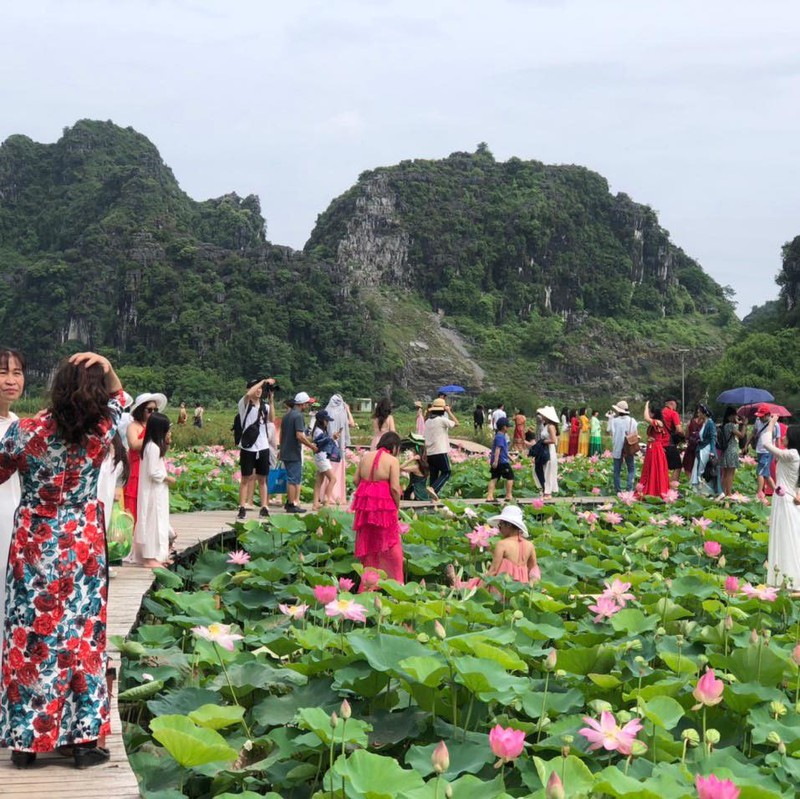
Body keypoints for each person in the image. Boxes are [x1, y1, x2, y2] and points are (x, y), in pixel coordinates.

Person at [0, 351, 123, 768]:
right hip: (84, 545)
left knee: (30, 640)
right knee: (82, 640)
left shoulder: (26, 431)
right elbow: (121, 398)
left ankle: (25, 743)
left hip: (35, 542)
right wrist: (106, 365)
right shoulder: (103, 429)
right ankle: (82, 742)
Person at [351, 431, 404, 586]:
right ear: (394, 447)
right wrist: (397, 505)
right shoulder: (392, 460)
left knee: (369, 544)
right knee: (390, 543)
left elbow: (355, 480)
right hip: (384, 507)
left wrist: (369, 490)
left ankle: (369, 584)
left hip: (365, 507)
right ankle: (395, 582)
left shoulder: (365, 456)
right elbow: (394, 488)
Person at [0, 347, 25, 656]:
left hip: (17, 518)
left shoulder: (18, 422)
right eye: (3, 372)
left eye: (17, 372)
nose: (10, 380)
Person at [763, 415, 800, 587]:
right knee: (787, 536)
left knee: (785, 536)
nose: (783, 437)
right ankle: (784, 577)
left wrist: (771, 423)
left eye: (786, 435)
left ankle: (788, 578)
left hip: (784, 501)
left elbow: (767, 445)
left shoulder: (792, 454)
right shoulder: (793, 455)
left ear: (792, 439)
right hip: (785, 498)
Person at [134, 412, 175, 568]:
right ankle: (149, 557)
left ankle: (157, 555)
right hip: (153, 491)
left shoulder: (153, 445)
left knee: (158, 521)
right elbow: (153, 472)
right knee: (153, 521)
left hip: (157, 490)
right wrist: (168, 478)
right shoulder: (152, 447)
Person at [123, 392, 167, 524]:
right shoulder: (134, 426)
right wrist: (152, 436)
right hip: (137, 466)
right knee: (136, 498)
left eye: (155, 410)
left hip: (152, 466)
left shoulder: (154, 427)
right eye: (149, 410)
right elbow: (134, 444)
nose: (152, 412)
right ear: (141, 410)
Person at [236, 378, 275, 521]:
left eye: (261, 389)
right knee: (246, 478)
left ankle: (264, 506)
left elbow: (271, 419)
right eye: (256, 388)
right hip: (247, 447)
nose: (259, 390)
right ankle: (242, 506)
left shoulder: (264, 406)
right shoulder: (245, 404)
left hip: (263, 446)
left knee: (263, 478)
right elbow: (249, 394)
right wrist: (263, 381)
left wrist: (271, 400)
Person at [279, 392, 317, 513]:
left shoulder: (287, 416)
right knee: (293, 479)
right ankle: (291, 504)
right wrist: (312, 446)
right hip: (293, 452)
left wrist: (280, 448)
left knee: (291, 477)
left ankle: (289, 502)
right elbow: (300, 435)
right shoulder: (298, 416)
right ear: (302, 404)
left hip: (285, 450)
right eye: (307, 403)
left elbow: (282, 434)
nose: (307, 406)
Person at [325, 394, 355, 506]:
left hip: (328, 448)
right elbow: (351, 424)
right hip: (339, 449)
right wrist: (348, 411)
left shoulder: (327, 412)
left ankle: (326, 496)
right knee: (337, 473)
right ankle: (337, 497)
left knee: (327, 472)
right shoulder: (342, 413)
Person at [424, 398, 459, 495]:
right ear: (443, 410)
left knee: (434, 475)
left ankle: (433, 499)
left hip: (430, 452)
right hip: (440, 450)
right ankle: (433, 489)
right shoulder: (442, 420)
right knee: (446, 472)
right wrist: (449, 411)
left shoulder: (427, 421)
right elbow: (457, 423)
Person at [638, 401, 670, 497]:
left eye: (651, 412)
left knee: (654, 468)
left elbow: (646, 418)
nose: (650, 414)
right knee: (651, 468)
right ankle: (652, 488)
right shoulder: (657, 423)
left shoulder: (659, 422)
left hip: (655, 448)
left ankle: (654, 490)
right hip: (652, 447)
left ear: (654, 413)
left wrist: (646, 406)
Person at [311, 410, 340, 509]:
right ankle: (326, 501)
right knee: (333, 479)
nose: (327, 422)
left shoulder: (320, 430)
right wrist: (332, 438)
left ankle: (315, 504)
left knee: (319, 481)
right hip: (322, 458)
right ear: (321, 420)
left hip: (321, 457)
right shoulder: (318, 431)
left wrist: (332, 438)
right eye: (326, 420)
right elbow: (320, 442)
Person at [608, 401, 637, 493]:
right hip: (628, 447)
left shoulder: (614, 421)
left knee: (617, 470)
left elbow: (610, 431)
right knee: (631, 469)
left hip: (617, 447)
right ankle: (629, 488)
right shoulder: (632, 421)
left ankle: (618, 490)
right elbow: (635, 434)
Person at [751, 404, 778, 498]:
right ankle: (778, 493)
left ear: (768, 415)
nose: (760, 418)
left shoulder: (775, 424)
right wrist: (747, 444)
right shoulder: (758, 420)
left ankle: (760, 494)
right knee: (766, 474)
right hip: (759, 449)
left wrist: (777, 454)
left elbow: (777, 439)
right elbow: (753, 432)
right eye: (759, 416)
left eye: (762, 416)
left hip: (768, 451)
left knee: (760, 472)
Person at [400, 434, 438, 501]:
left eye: (413, 451)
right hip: (423, 492)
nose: (412, 452)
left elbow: (400, 467)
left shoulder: (416, 467)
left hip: (415, 492)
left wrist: (411, 459)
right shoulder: (426, 465)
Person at [532, 405, 560, 497]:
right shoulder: (546, 425)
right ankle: (545, 490)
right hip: (545, 448)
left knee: (548, 470)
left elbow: (553, 440)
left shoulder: (551, 426)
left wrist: (543, 441)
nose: (542, 416)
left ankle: (548, 492)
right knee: (542, 469)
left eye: (543, 415)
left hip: (548, 449)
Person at [691, 404, 718, 495]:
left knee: (700, 469)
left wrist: (712, 452)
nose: (698, 414)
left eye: (699, 412)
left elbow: (713, 438)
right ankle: (699, 490)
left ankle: (702, 491)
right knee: (697, 468)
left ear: (704, 413)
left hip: (706, 449)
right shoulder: (705, 423)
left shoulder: (710, 423)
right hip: (702, 448)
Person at [719, 407, 745, 496]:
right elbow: (741, 435)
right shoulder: (731, 425)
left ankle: (722, 492)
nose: (736, 417)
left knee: (725, 474)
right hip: (732, 450)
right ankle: (729, 493)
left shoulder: (725, 425)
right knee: (730, 473)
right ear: (731, 415)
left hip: (726, 451)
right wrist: (744, 425)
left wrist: (738, 422)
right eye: (735, 415)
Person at [487, 417, 514, 502]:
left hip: (498, 461)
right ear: (504, 427)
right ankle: (508, 495)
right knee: (510, 477)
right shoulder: (500, 437)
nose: (509, 428)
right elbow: (498, 449)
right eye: (508, 426)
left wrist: (511, 459)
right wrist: (496, 461)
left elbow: (504, 450)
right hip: (501, 462)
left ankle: (489, 496)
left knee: (494, 478)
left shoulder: (499, 436)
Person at [661, 400, 684, 487]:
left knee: (663, 467)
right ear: (673, 404)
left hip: (658, 445)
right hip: (669, 444)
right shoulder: (673, 413)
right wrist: (683, 435)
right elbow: (678, 429)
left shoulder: (659, 413)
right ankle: (673, 488)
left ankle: (662, 486)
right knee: (677, 466)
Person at [682, 408, 703, 479]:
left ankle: (691, 484)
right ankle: (697, 484)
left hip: (691, 448)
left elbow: (686, 436)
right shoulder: (706, 423)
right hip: (701, 449)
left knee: (688, 467)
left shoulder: (690, 422)